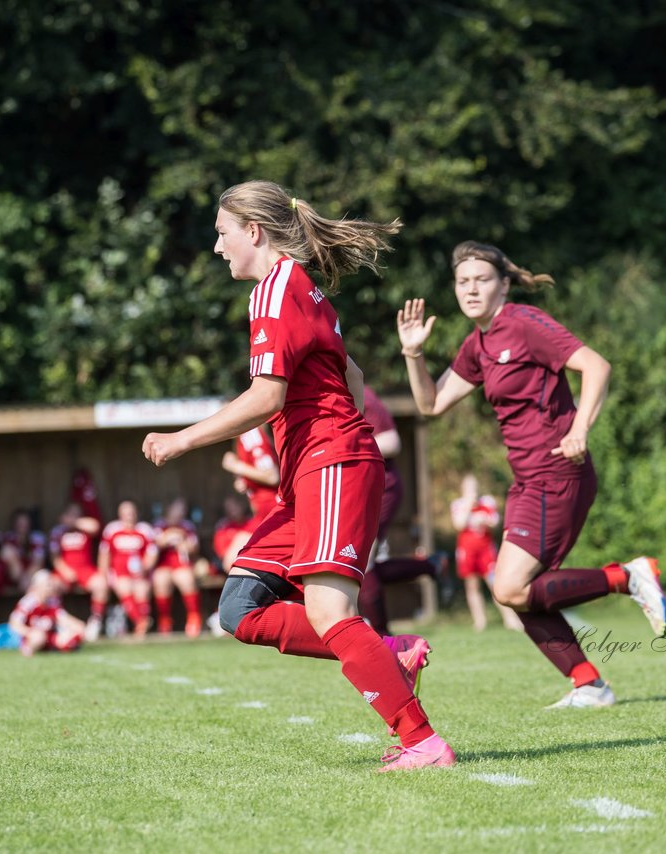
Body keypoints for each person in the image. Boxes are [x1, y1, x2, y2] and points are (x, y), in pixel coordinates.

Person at [142, 180, 453, 771]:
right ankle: (389, 654)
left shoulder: (275, 291)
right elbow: (353, 377)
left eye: (221, 233)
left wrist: (182, 438)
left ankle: (423, 742)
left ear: (252, 232)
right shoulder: (299, 288)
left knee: (331, 614)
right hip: (313, 475)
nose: (216, 247)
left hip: (329, 467)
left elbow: (266, 397)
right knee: (238, 608)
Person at [396, 240, 666, 710]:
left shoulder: (522, 323)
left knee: (509, 588)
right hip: (526, 481)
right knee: (516, 594)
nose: (471, 289)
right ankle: (589, 684)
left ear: (504, 284)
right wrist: (413, 355)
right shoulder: (477, 344)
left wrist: (581, 428)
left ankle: (627, 577)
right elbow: (430, 404)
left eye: (482, 279)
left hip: (558, 471)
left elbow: (596, 366)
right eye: (463, 282)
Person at [356, 385, 439, 636]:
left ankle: (382, 637)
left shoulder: (361, 394)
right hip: (357, 489)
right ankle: (429, 566)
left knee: (361, 559)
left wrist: (344, 453)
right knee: (355, 561)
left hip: (381, 487)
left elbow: (391, 442)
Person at [451, 475, 524, 632]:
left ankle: (510, 619)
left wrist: (487, 521)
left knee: (495, 584)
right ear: (463, 490)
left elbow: (496, 523)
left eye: (475, 488)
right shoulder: (459, 505)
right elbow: (458, 525)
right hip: (467, 551)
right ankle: (480, 621)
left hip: (486, 550)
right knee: (472, 586)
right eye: (469, 488)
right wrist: (469, 506)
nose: (473, 492)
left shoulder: (487, 502)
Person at [50, 501, 109, 642]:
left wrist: (74, 521)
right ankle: (59, 623)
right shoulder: (58, 532)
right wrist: (65, 571)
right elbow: (54, 557)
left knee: (101, 584)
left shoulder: (84, 529)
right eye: (70, 514)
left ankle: (95, 621)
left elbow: (95, 526)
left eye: (77, 514)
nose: (73, 517)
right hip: (65, 570)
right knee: (51, 585)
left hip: (85, 569)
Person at [99, 500, 158, 638]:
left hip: (140, 574)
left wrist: (144, 568)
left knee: (141, 589)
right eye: (125, 513)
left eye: (131, 512)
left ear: (136, 513)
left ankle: (141, 626)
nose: (129, 516)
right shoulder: (112, 529)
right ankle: (141, 622)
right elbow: (104, 554)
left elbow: (152, 554)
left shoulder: (144, 529)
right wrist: (103, 574)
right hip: (119, 573)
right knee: (124, 586)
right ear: (120, 514)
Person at [152, 497, 205, 637]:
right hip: (163, 564)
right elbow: (154, 545)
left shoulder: (187, 526)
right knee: (161, 580)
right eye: (178, 508)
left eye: (183, 509)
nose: (181, 512)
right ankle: (164, 620)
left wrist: (185, 543)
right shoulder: (159, 525)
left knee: (186, 578)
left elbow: (194, 548)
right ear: (169, 509)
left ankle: (194, 618)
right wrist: (167, 536)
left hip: (181, 563)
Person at [8, 571, 85, 657]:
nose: (51, 587)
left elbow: (63, 618)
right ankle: (29, 647)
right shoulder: (27, 603)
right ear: (38, 587)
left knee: (78, 629)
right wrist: (30, 632)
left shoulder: (53, 601)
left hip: (50, 636)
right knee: (39, 637)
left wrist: (79, 627)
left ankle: (58, 647)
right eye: (48, 585)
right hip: (34, 637)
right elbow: (14, 624)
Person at [222, 425, 280, 522]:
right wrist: (245, 481)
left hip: (274, 509)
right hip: (265, 513)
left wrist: (236, 466)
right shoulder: (241, 438)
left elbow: (272, 476)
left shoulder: (251, 434)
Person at [0, 508, 47, 595]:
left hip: (31, 577)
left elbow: (38, 562)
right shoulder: (8, 537)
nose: (22, 526)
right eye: (19, 523)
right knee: (7, 550)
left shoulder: (37, 538)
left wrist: (26, 578)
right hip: (14, 577)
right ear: (14, 524)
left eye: (24, 523)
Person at [212, 494, 259, 574]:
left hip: (255, 561)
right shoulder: (223, 528)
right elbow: (222, 553)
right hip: (233, 565)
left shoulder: (254, 523)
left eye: (234, 506)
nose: (232, 510)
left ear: (241, 506)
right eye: (228, 508)